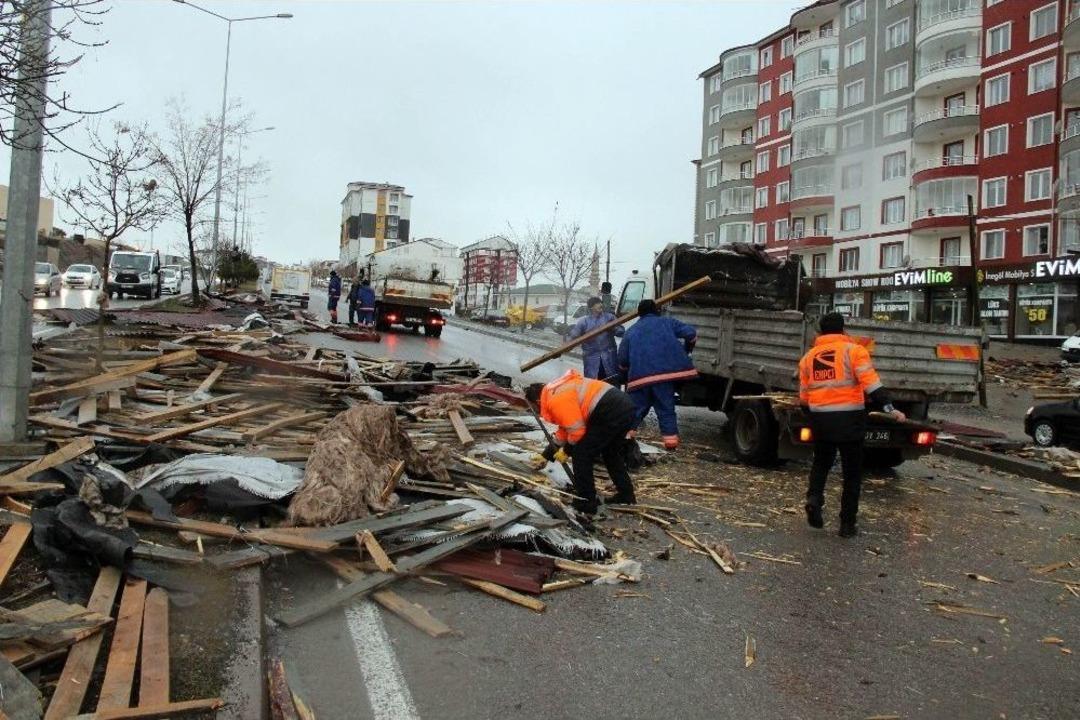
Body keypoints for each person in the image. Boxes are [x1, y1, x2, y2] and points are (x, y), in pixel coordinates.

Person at [798, 312, 905, 538]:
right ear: (843, 329)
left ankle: (814, 499)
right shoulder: (854, 351)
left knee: (821, 465)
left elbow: (804, 398)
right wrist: (889, 408)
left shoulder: (808, 358)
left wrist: (813, 416)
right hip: (850, 420)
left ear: (820, 332)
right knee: (852, 474)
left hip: (821, 420)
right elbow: (871, 384)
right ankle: (847, 524)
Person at [526, 370, 637, 514]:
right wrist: (546, 455)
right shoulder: (555, 391)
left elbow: (577, 432)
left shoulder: (556, 400)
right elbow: (565, 430)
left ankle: (587, 502)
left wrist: (567, 450)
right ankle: (626, 495)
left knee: (581, 454)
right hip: (623, 406)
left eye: (534, 407)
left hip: (608, 409)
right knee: (611, 454)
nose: (535, 410)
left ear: (538, 401)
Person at [617, 300, 697, 450]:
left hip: (639, 379)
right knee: (666, 408)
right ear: (657, 311)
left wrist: (623, 373)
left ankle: (625, 439)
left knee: (634, 410)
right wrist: (687, 349)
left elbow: (622, 359)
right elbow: (691, 334)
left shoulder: (631, 331)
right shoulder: (668, 322)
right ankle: (671, 443)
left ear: (639, 313)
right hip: (664, 377)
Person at [566, 296, 623, 382]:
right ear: (591, 307)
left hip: (609, 359)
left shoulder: (609, 318)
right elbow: (573, 337)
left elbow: (621, 331)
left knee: (612, 386)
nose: (600, 305)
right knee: (593, 387)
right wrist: (564, 348)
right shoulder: (583, 322)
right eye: (597, 303)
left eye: (600, 303)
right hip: (592, 361)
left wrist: (614, 329)